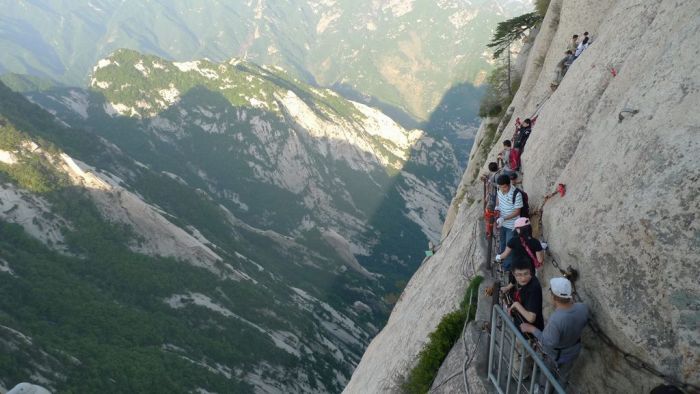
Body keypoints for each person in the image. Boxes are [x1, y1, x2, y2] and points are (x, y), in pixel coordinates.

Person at [521, 277, 589, 390]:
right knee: (564, 377)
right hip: (573, 351)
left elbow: (548, 342)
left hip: (556, 355)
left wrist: (531, 329)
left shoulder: (556, 319)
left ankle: (543, 390)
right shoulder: (582, 308)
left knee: (546, 375)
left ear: (553, 296)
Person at [500, 259, 544, 331]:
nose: (523, 278)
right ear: (513, 274)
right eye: (519, 275)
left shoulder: (533, 288)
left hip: (530, 333)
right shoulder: (516, 280)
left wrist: (516, 305)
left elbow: (531, 318)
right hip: (520, 324)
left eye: (526, 274)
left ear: (531, 272)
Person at [495, 174, 522, 270]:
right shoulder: (500, 190)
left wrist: (504, 218)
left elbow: (517, 211)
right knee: (502, 242)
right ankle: (502, 258)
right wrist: (497, 208)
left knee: (509, 246)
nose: (502, 189)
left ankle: (507, 267)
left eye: (504, 187)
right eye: (500, 187)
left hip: (512, 225)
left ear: (508, 185)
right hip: (502, 223)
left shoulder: (516, 194)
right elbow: (498, 197)